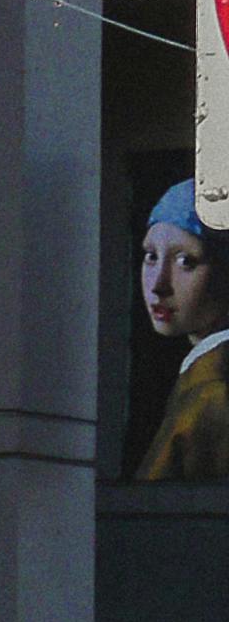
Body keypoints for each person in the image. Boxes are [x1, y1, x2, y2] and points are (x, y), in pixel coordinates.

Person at [138, 180, 229, 481]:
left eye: (185, 261)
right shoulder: (201, 379)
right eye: (151, 256)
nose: (159, 284)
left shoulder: (212, 391)